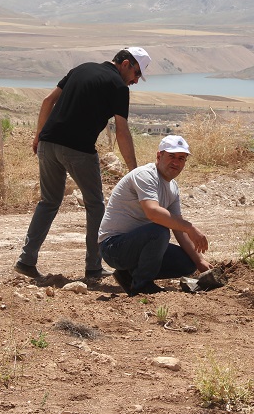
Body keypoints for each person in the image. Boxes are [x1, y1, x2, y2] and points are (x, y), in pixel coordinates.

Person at [14, 47, 151, 281]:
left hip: (48, 144)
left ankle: (26, 260)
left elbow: (48, 101)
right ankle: (93, 267)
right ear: (126, 64)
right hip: (78, 150)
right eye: (136, 74)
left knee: (48, 202)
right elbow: (122, 131)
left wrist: (39, 135)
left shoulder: (81, 69)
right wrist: (134, 171)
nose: (136, 81)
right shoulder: (118, 87)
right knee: (96, 205)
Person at [98, 135, 211, 296]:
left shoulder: (172, 187)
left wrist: (199, 261)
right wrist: (190, 227)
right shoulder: (145, 175)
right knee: (159, 231)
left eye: (181, 158)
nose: (176, 162)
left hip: (135, 245)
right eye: (171, 156)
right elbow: (153, 213)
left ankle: (129, 276)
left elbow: (177, 227)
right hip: (113, 247)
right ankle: (141, 285)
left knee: (187, 263)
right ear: (159, 156)